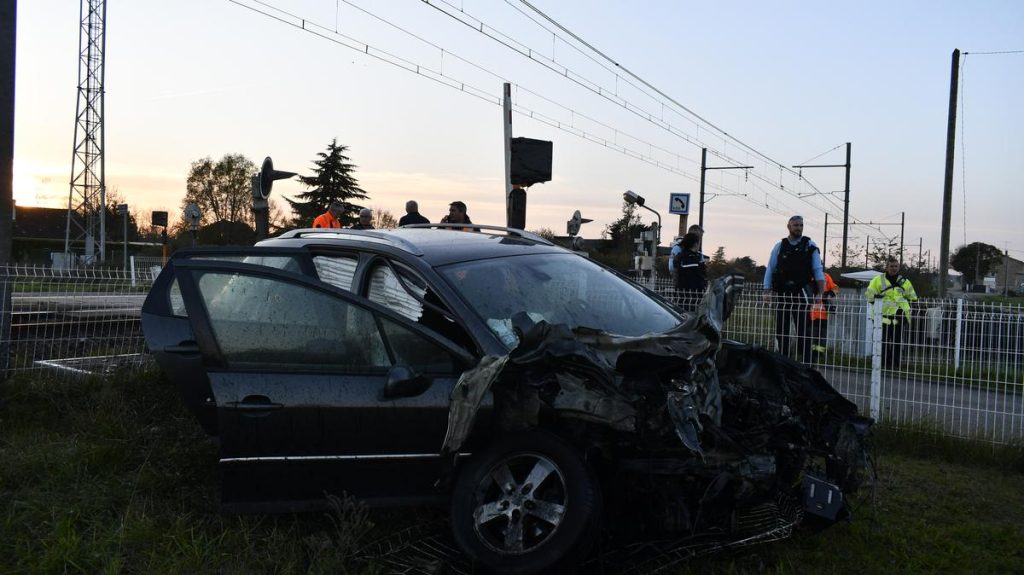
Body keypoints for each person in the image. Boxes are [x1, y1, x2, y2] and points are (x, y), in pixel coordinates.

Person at [763, 215, 826, 362]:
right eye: (796, 225)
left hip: (801, 292)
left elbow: (818, 270)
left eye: (801, 225)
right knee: (781, 330)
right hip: (783, 292)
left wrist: (820, 294)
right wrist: (767, 290)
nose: (799, 228)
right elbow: (770, 268)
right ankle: (783, 361)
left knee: (803, 329)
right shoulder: (780, 246)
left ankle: (806, 363)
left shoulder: (810, 245)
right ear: (789, 227)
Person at [865, 258, 918, 369]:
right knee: (882, 339)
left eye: (896, 266)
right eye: (891, 266)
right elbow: (869, 295)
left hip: (899, 314)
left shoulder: (905, 281)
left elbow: (913, 297)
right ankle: (882, 362)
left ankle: (895, 364)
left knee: (896, 340)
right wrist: (877, 300)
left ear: (898, 267)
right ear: (887, 267)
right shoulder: (877, 280)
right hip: (882, 314)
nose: (894, 268)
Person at [809, 272, 840, 361]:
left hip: (822, 314)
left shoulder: (826, 276)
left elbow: (836, 288)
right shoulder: (807, 274)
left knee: (821, 336)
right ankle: (811, 354)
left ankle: (818, 355)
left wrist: (829, 294)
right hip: (810, 313)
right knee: (811, 335)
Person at [672, 232, 707, 311]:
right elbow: (698, 278)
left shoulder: (679, 257)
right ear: (695, 244)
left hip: (680, 295)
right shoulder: (694, 259)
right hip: (693, 297)